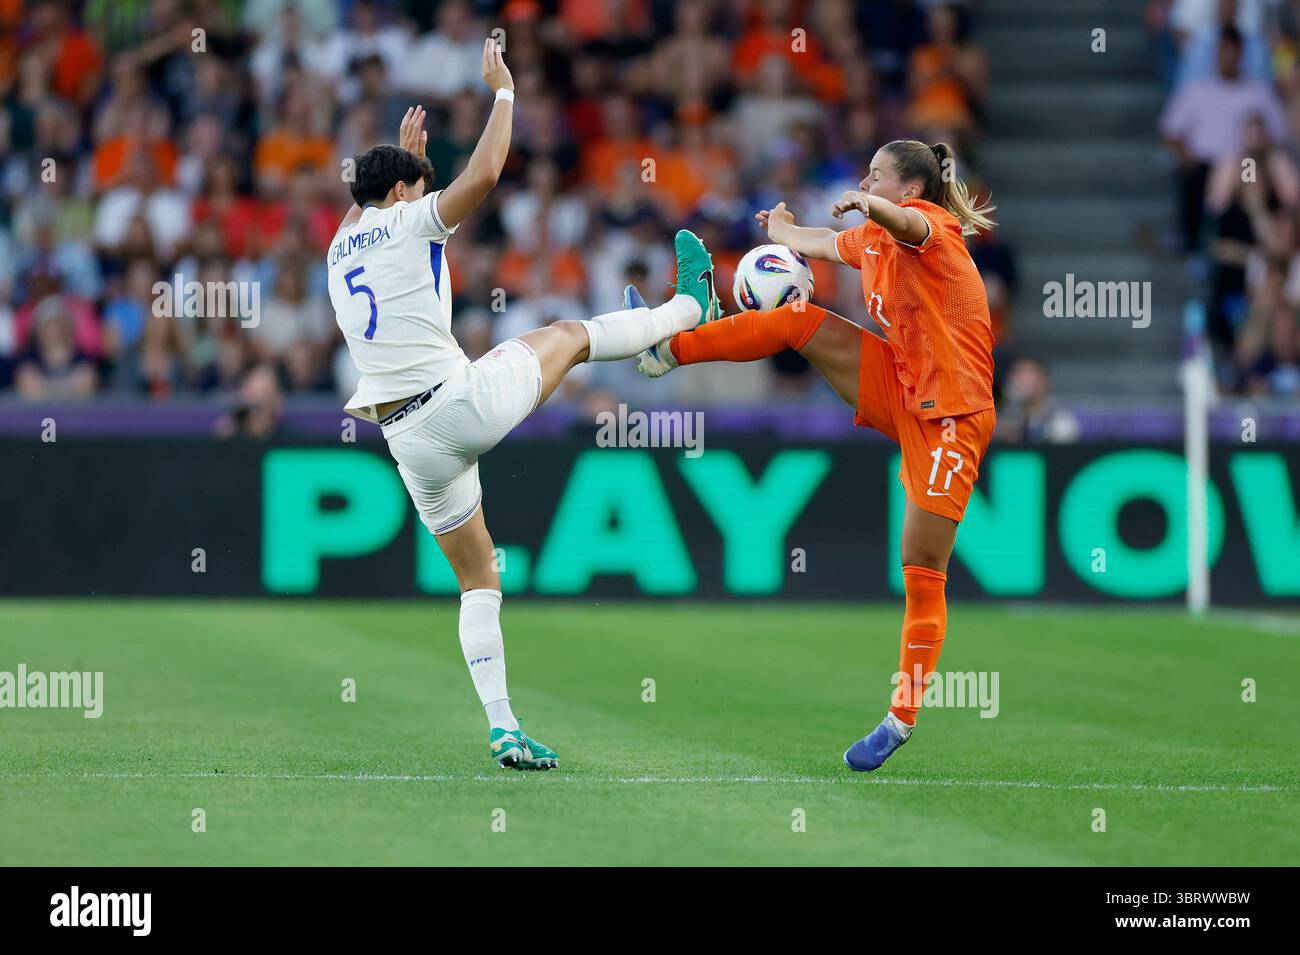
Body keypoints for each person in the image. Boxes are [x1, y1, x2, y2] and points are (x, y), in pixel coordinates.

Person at [327, 40, 719, 770]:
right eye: (419, 184)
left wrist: (403, 159)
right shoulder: (414, 218)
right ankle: (687, 312)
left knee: (480, 581)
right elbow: (486, 172)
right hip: (455, 403)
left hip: (406, 441)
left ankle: (503, 726)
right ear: (407, 194)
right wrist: (503, 93)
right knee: (567, 334)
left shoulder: (339, 248)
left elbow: (375, 207)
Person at [634, 139, 997, 772]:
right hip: (905, 385)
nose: (863, 181)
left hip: (953, 416)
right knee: (801, 321)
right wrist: (781, 228)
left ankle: (900, 718)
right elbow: (823, 243)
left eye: (876, 177)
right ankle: (670, 346)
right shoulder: (874, 241)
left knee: (921, 562)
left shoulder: (929, 228)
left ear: (907, 190)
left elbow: (907, 224)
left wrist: (870, 207)